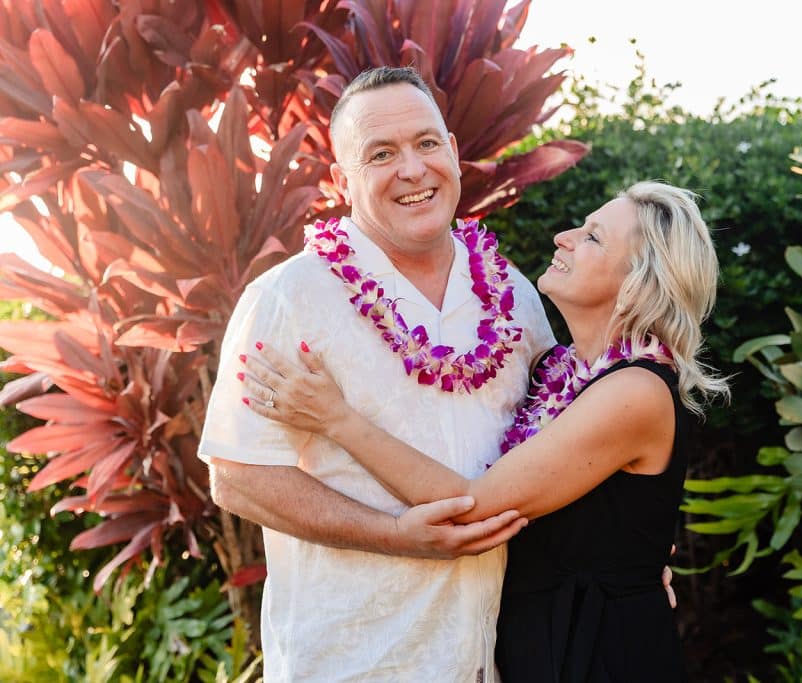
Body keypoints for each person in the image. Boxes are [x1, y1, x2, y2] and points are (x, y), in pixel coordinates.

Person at [243, 180, 729, 682]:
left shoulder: (635, 392)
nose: (564, 237)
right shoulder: (559, 374)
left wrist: (335, 419)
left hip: (599, 655)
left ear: (639, 282)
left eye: (593, 238)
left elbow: (472, 505)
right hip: (543, 645)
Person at [199, 66, 558, 681]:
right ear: (342, 180)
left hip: (495, 657)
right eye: (381, 154)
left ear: (452, 151)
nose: (413, 170)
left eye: (426, 143)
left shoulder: (513, 294)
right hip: (350, 661)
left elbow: (562, 442)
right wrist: (397, 535)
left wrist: (630, 553)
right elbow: (238, 477)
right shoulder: (290, 296)